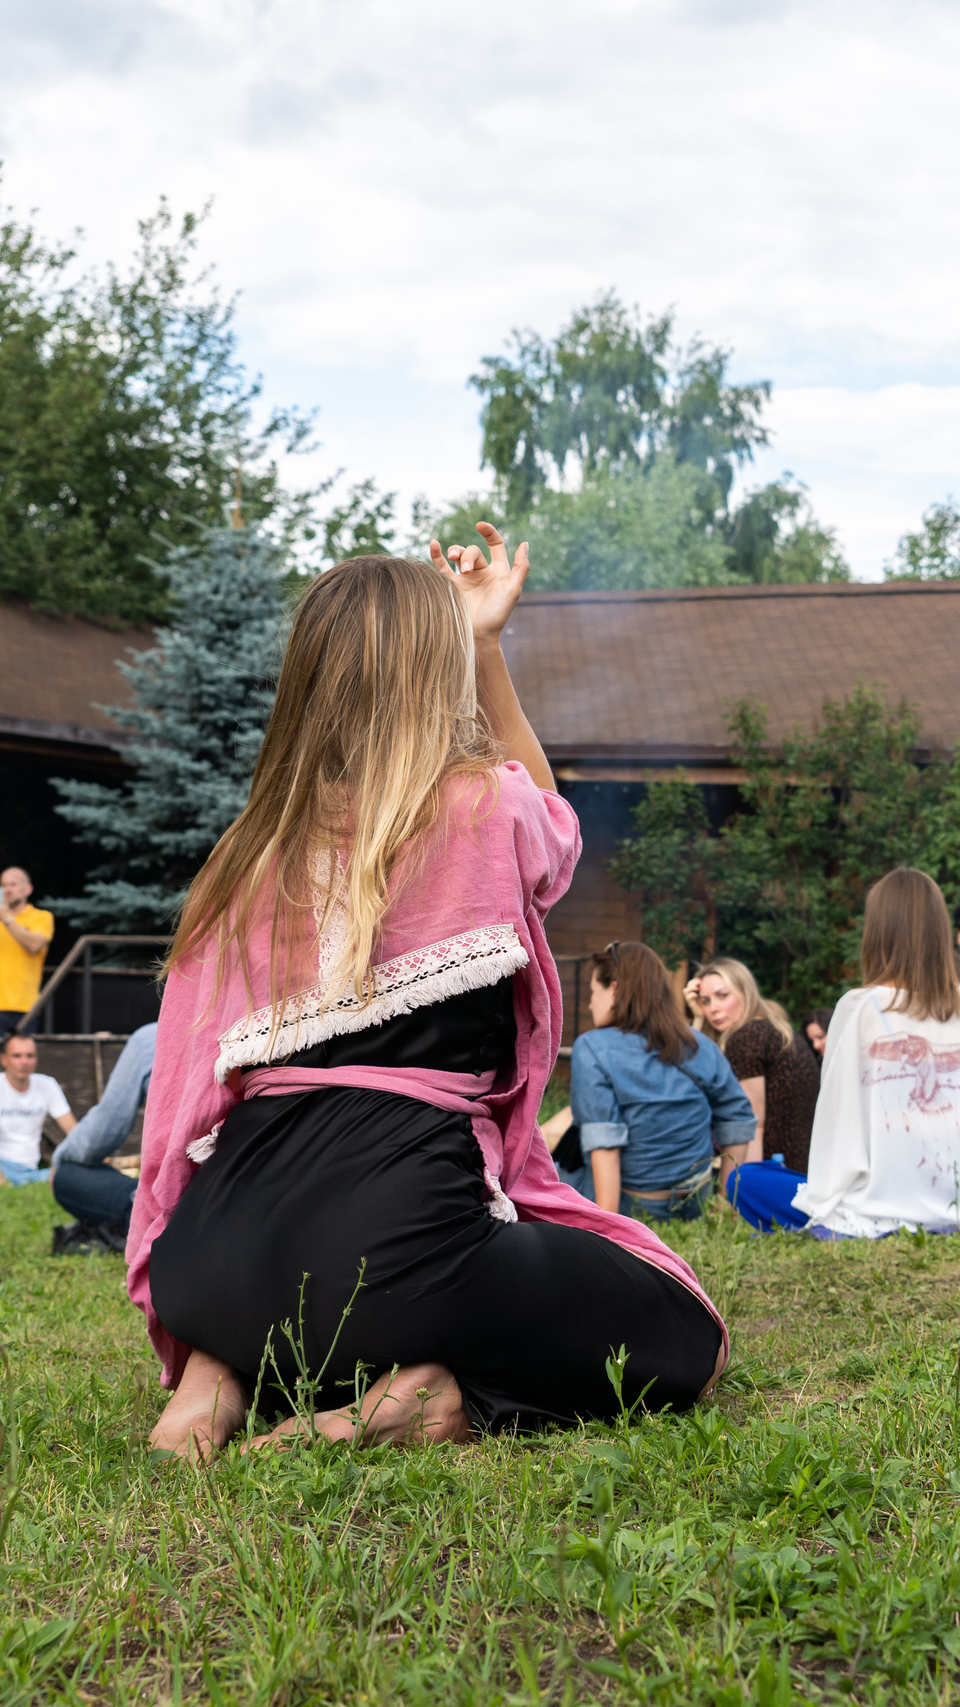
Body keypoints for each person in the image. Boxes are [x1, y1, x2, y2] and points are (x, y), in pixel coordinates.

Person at [130, 528, 727, 1460]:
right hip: (397, 1250)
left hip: (212, 1254)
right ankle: (421, 1403)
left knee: (319, 1302)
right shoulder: (486, 807)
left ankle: (216, 1377)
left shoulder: (244, 858)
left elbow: (178, 1102)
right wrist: (491, 646)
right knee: (679, 1326)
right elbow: (557, 826)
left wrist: (171, 1262)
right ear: (433, 676)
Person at [794, 869, 960, 1238]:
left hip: (873, 1207)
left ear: (877, 932)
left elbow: (836, 1135)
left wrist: (825, 1201)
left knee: (753, 1182)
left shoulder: (860, 1007)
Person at [566, 942, 756, 1220]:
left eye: (595, 991)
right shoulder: (700, 1044)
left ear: (616, 991)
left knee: (553, 1170)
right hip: (695, 1201)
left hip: (634, 1204)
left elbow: (605, 1146)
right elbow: (738, 1118)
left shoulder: (593, 1046)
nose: (591, 1002)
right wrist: (725, 1204)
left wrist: (610, 1227)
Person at [690, 956, 821, 1232]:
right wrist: (697, 1020)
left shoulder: (746, 1038)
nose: (713, 1008)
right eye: (704, 1001)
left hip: (782, 1179)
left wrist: (738, 1200)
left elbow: (751, 1125)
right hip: (809, 1174)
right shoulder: (772, 1027)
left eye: (722, 996)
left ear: (745, 992)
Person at [51, 1021, 155, 1252]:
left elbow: (106, 1129)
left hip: (180, 1205)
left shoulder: (151, 1038)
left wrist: (60, 1158)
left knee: (68, 1176)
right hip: (243, 1196)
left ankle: (138, 1220)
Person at [0, 1034, 77, 1186]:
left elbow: (73, 1130)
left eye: (30, 1056)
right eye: (17, 1056)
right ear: (4, 1059)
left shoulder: (48, 1084)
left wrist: (96, 1153)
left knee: (71, 1176)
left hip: (29, 1169)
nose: (24, 1062)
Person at [0, 866, 55, 1039]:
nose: (7, 890)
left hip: (26, 1005)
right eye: (3, 885)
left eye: (13, 884)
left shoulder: (41, 917)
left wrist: (6, 918)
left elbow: (34, 945)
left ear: (28, 889)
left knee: (23, 1063)